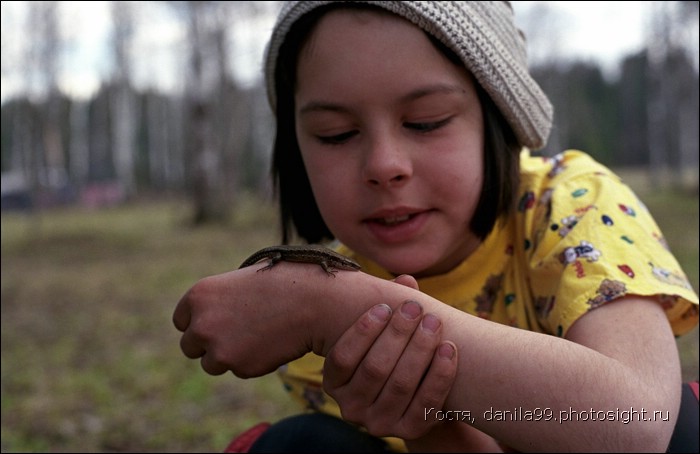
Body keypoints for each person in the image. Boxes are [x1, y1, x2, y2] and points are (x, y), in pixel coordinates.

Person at [173, 1, 699, 452]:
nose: (384, 165)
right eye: (335, 134)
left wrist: (331, 308)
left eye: (425, 122)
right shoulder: (314, 333)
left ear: (499, 119)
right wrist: (431, 431)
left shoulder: (575, 203)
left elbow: (637, 428)